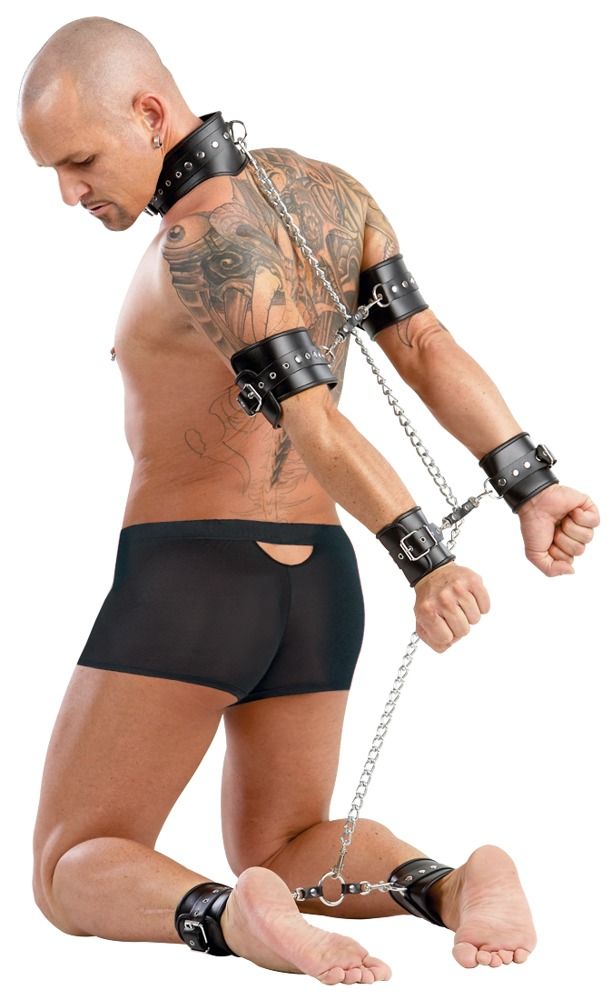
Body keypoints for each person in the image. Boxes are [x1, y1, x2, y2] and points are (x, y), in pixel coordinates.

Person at [18, 15, 599, 987]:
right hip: (317, 587)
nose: (69, 193)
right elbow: (427, 348)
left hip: (193, 578)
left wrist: (428, 561)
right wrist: (530, 487)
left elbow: (314, 420)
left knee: (68, 862)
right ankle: (449, 887)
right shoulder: (326, 190)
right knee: (286, 845)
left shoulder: (202, 238)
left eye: (78, 162)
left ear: (150, 114)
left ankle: (229, 922)